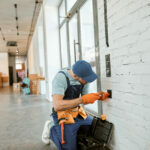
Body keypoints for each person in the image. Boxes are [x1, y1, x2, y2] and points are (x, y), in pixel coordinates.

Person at [50, 60, 109, 150]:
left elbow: (85, 98)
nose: (88, 81)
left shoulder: (83, 81)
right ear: (76, 76)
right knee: (69, 148)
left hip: (76, 111)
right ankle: (52, 130)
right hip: (62, 114)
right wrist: (82, 99)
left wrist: (97, 96)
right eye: (87, 79)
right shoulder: (61, 78)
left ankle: (72, 136)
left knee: (94, 128)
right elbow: (57, 106)